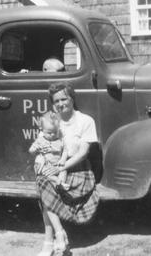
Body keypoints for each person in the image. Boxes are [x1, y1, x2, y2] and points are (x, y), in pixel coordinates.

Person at [36, 82, 99, 256]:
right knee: (43, 181)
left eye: (64, 99)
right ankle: (59, 234)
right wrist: (49, 163)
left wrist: (62, 167)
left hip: (79, 170)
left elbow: (83, 153)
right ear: (53, 104)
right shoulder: (51, 121)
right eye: (56, 101)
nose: (61, 103)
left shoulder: (85, 120)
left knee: (44, 190)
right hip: (55, 167)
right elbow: (42, 146)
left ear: (72, 99)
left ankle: (49, 241)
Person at [29, 112, 69, 189]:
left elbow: (65, 150)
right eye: (49, 133)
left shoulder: (60, 140)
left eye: (55, 132)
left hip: (57, 165)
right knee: (43, 170)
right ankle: (57, 181)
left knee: (64, 171)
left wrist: (63, 159)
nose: (52, 135)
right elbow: (31, 150)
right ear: (42, 130)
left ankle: (61, 184)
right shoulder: (40, 140)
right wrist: (35, 149)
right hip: (45, 165)